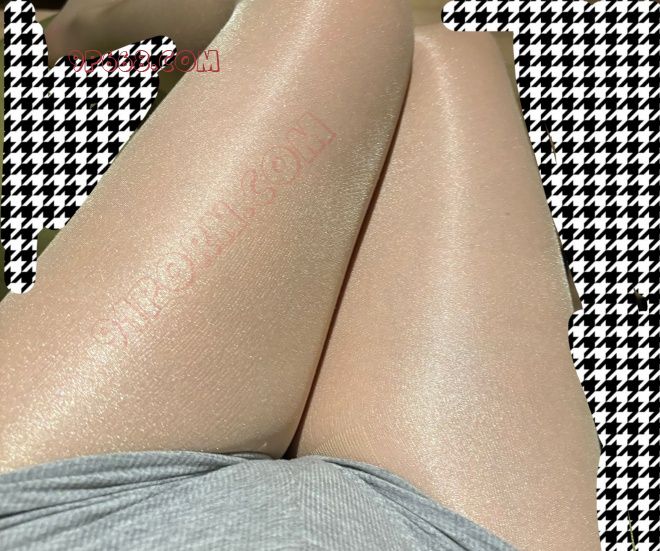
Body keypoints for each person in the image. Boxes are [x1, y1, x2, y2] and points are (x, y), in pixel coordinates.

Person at [0, 1, 600, 549]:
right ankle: (87, 34)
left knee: (354, 18)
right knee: (452, 60)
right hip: (448, 533)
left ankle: (75, 32)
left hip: (70, 506)